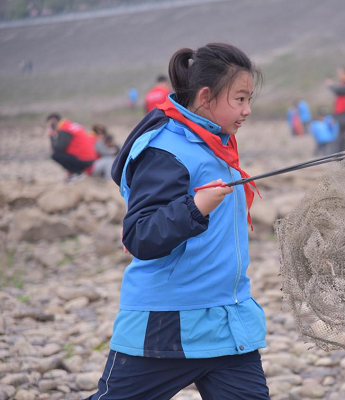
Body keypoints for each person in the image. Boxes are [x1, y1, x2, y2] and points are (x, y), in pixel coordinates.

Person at [84, 43, 269, 400]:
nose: (247, 110)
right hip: (165, 326)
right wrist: (195, 206)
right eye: (240, 99)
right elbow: (140, 235)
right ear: (205, 97)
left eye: (250, 100)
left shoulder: (217, 144)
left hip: (228, 326)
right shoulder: (166, 149)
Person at [45, 113, 99, 181]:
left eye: (50, 125)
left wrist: (51, 136)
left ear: (54, 122)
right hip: (90, 158)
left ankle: (77, 173)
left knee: (55, 155)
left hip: (84, 161)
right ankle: (75, 173)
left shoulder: (64, 129)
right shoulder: (70, 125)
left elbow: (58, 149)